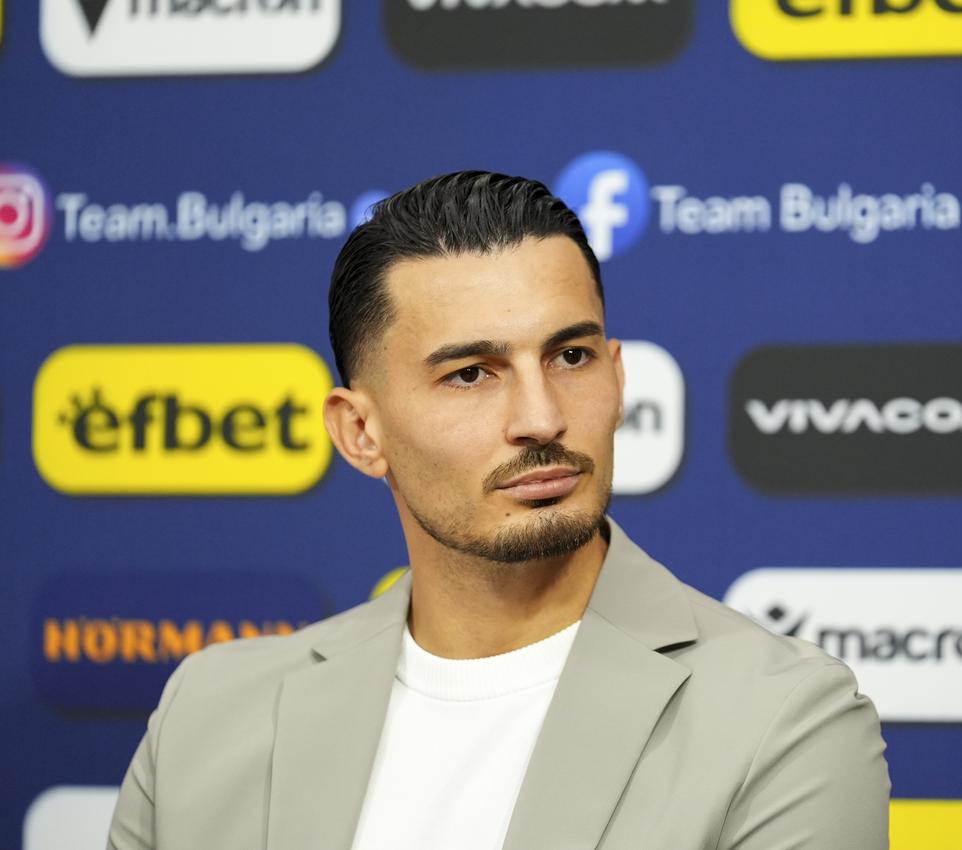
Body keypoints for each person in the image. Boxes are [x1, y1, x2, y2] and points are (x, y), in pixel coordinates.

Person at [106, 170, 890, 850]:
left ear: (616, 380)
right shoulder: (208, 714)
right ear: (360, 432)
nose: (541, 417)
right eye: (472, 375)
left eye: (570, 356)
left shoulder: (781, 719)